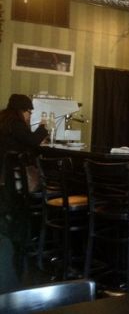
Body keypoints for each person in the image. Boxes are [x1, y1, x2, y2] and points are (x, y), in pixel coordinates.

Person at [0, 94, 48, 290]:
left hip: (6, 181)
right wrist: (44, 126)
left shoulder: (4, 122)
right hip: (12, 183)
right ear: (22, 110)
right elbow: (33, 141)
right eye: (29, 111)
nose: (30, 115)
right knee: (43, 183)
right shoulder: (16, 125)